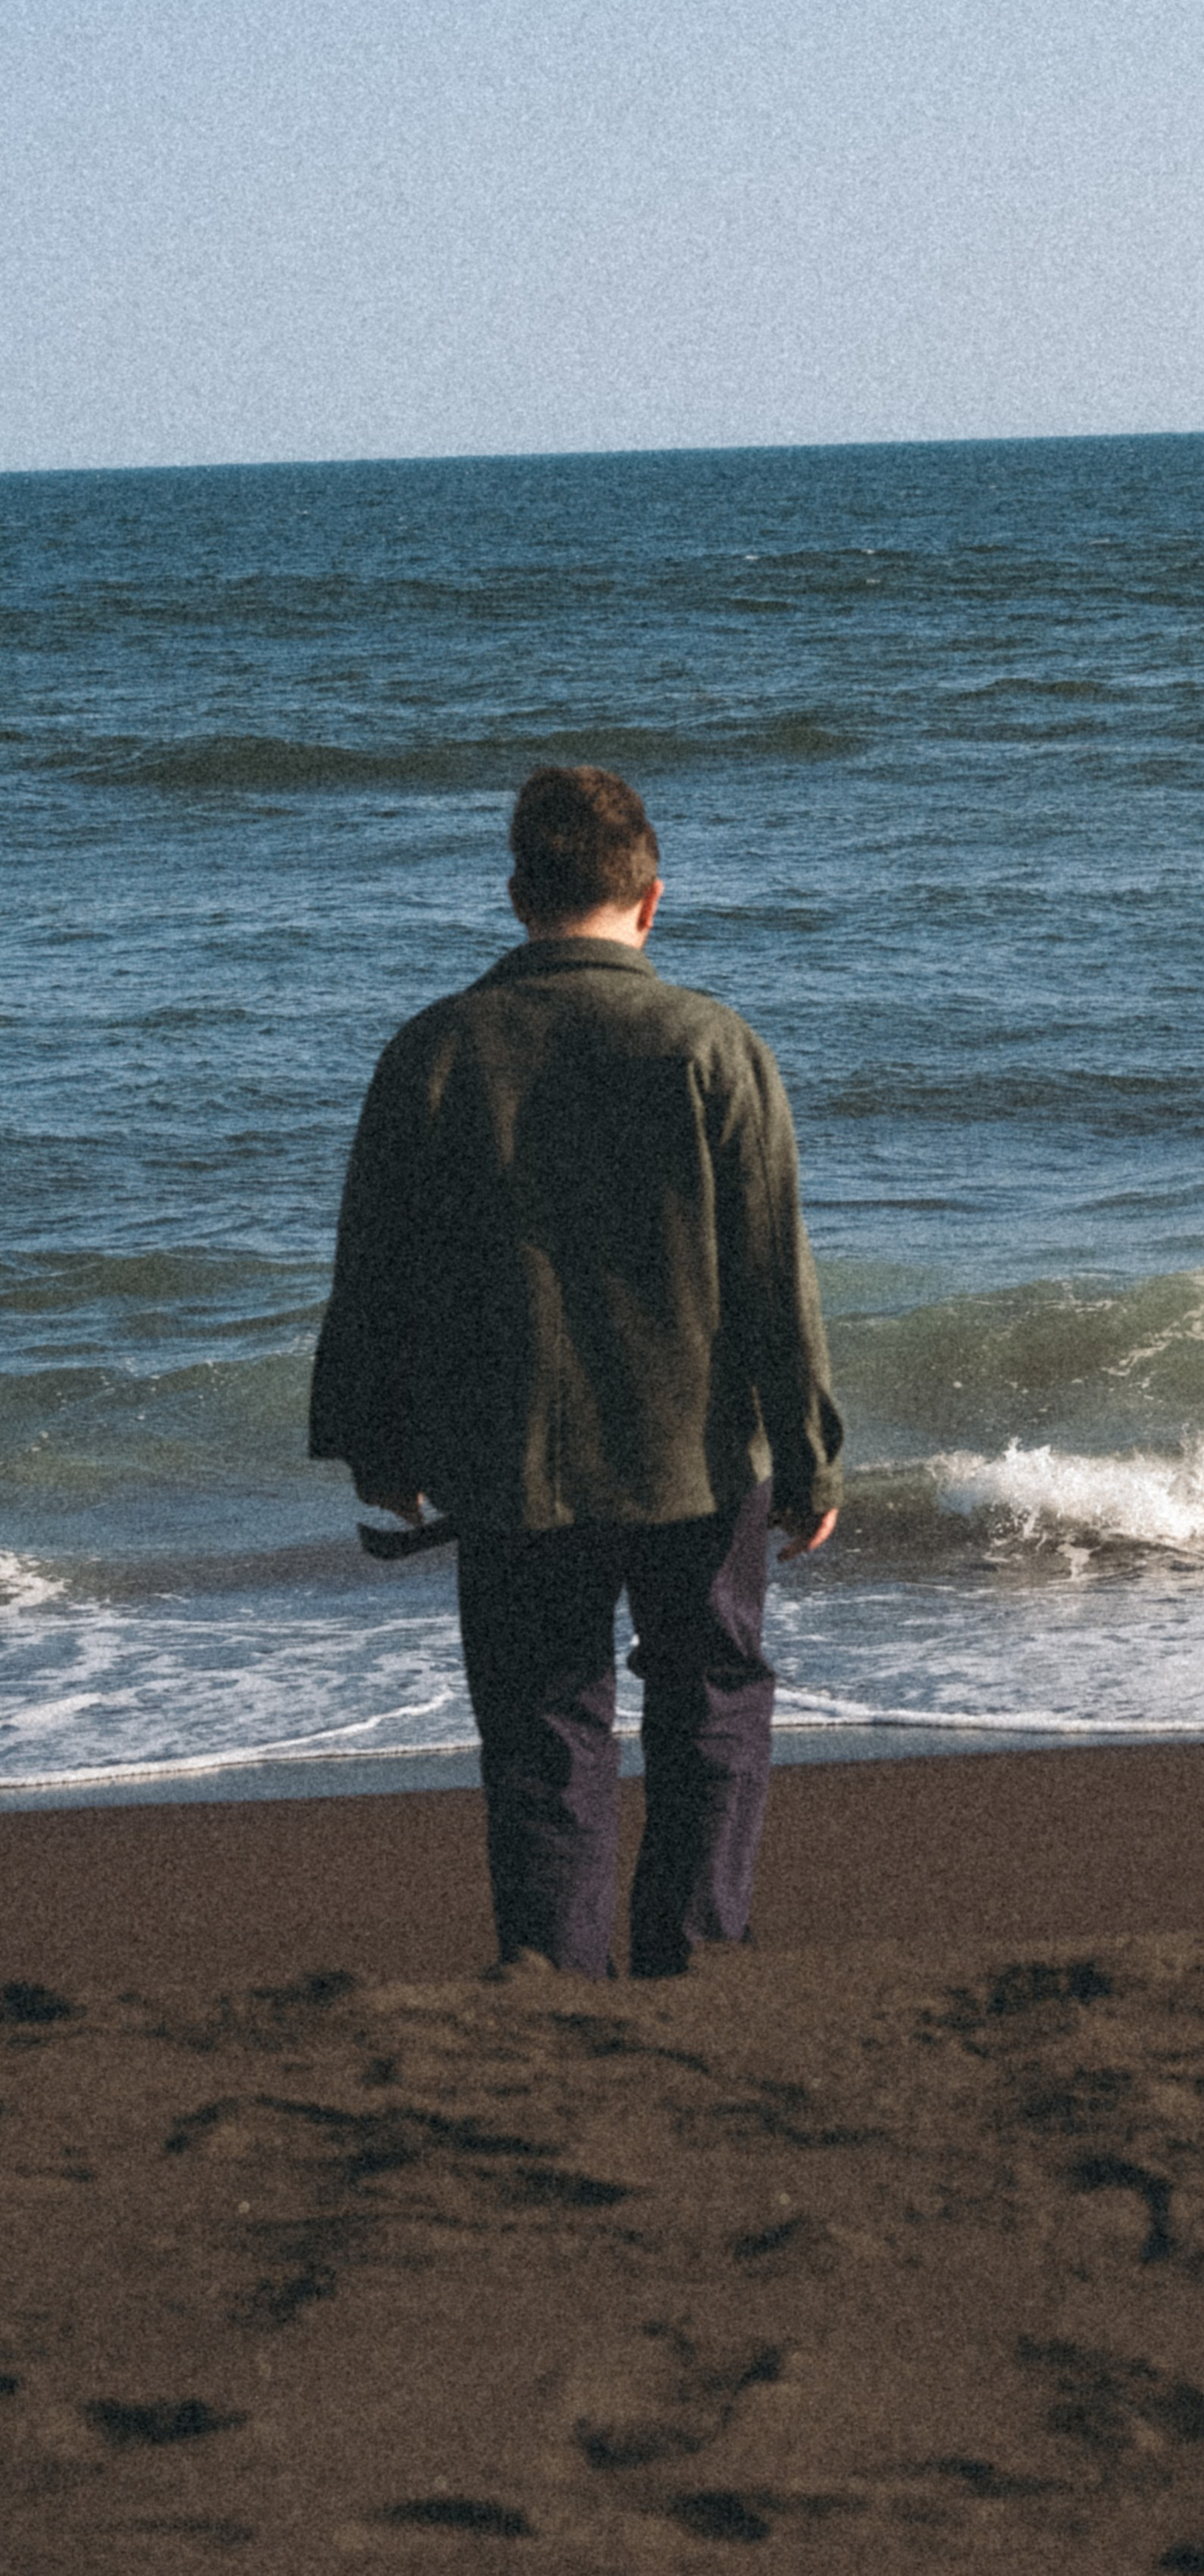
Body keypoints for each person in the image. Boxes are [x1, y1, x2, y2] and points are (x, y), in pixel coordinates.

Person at [309, 765, 843, 1977]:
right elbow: (773, 1271)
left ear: (516, 896)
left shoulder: (435, 1050)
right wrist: (811, 1454)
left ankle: (553, 1973)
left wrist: (378, 1448)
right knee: (711, 1701)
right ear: (652, 902)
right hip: (695, 1457)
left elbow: (372, 1271)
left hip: (511, 1460)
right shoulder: (715, 1046)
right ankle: (696, 1954)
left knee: (547, 1723)